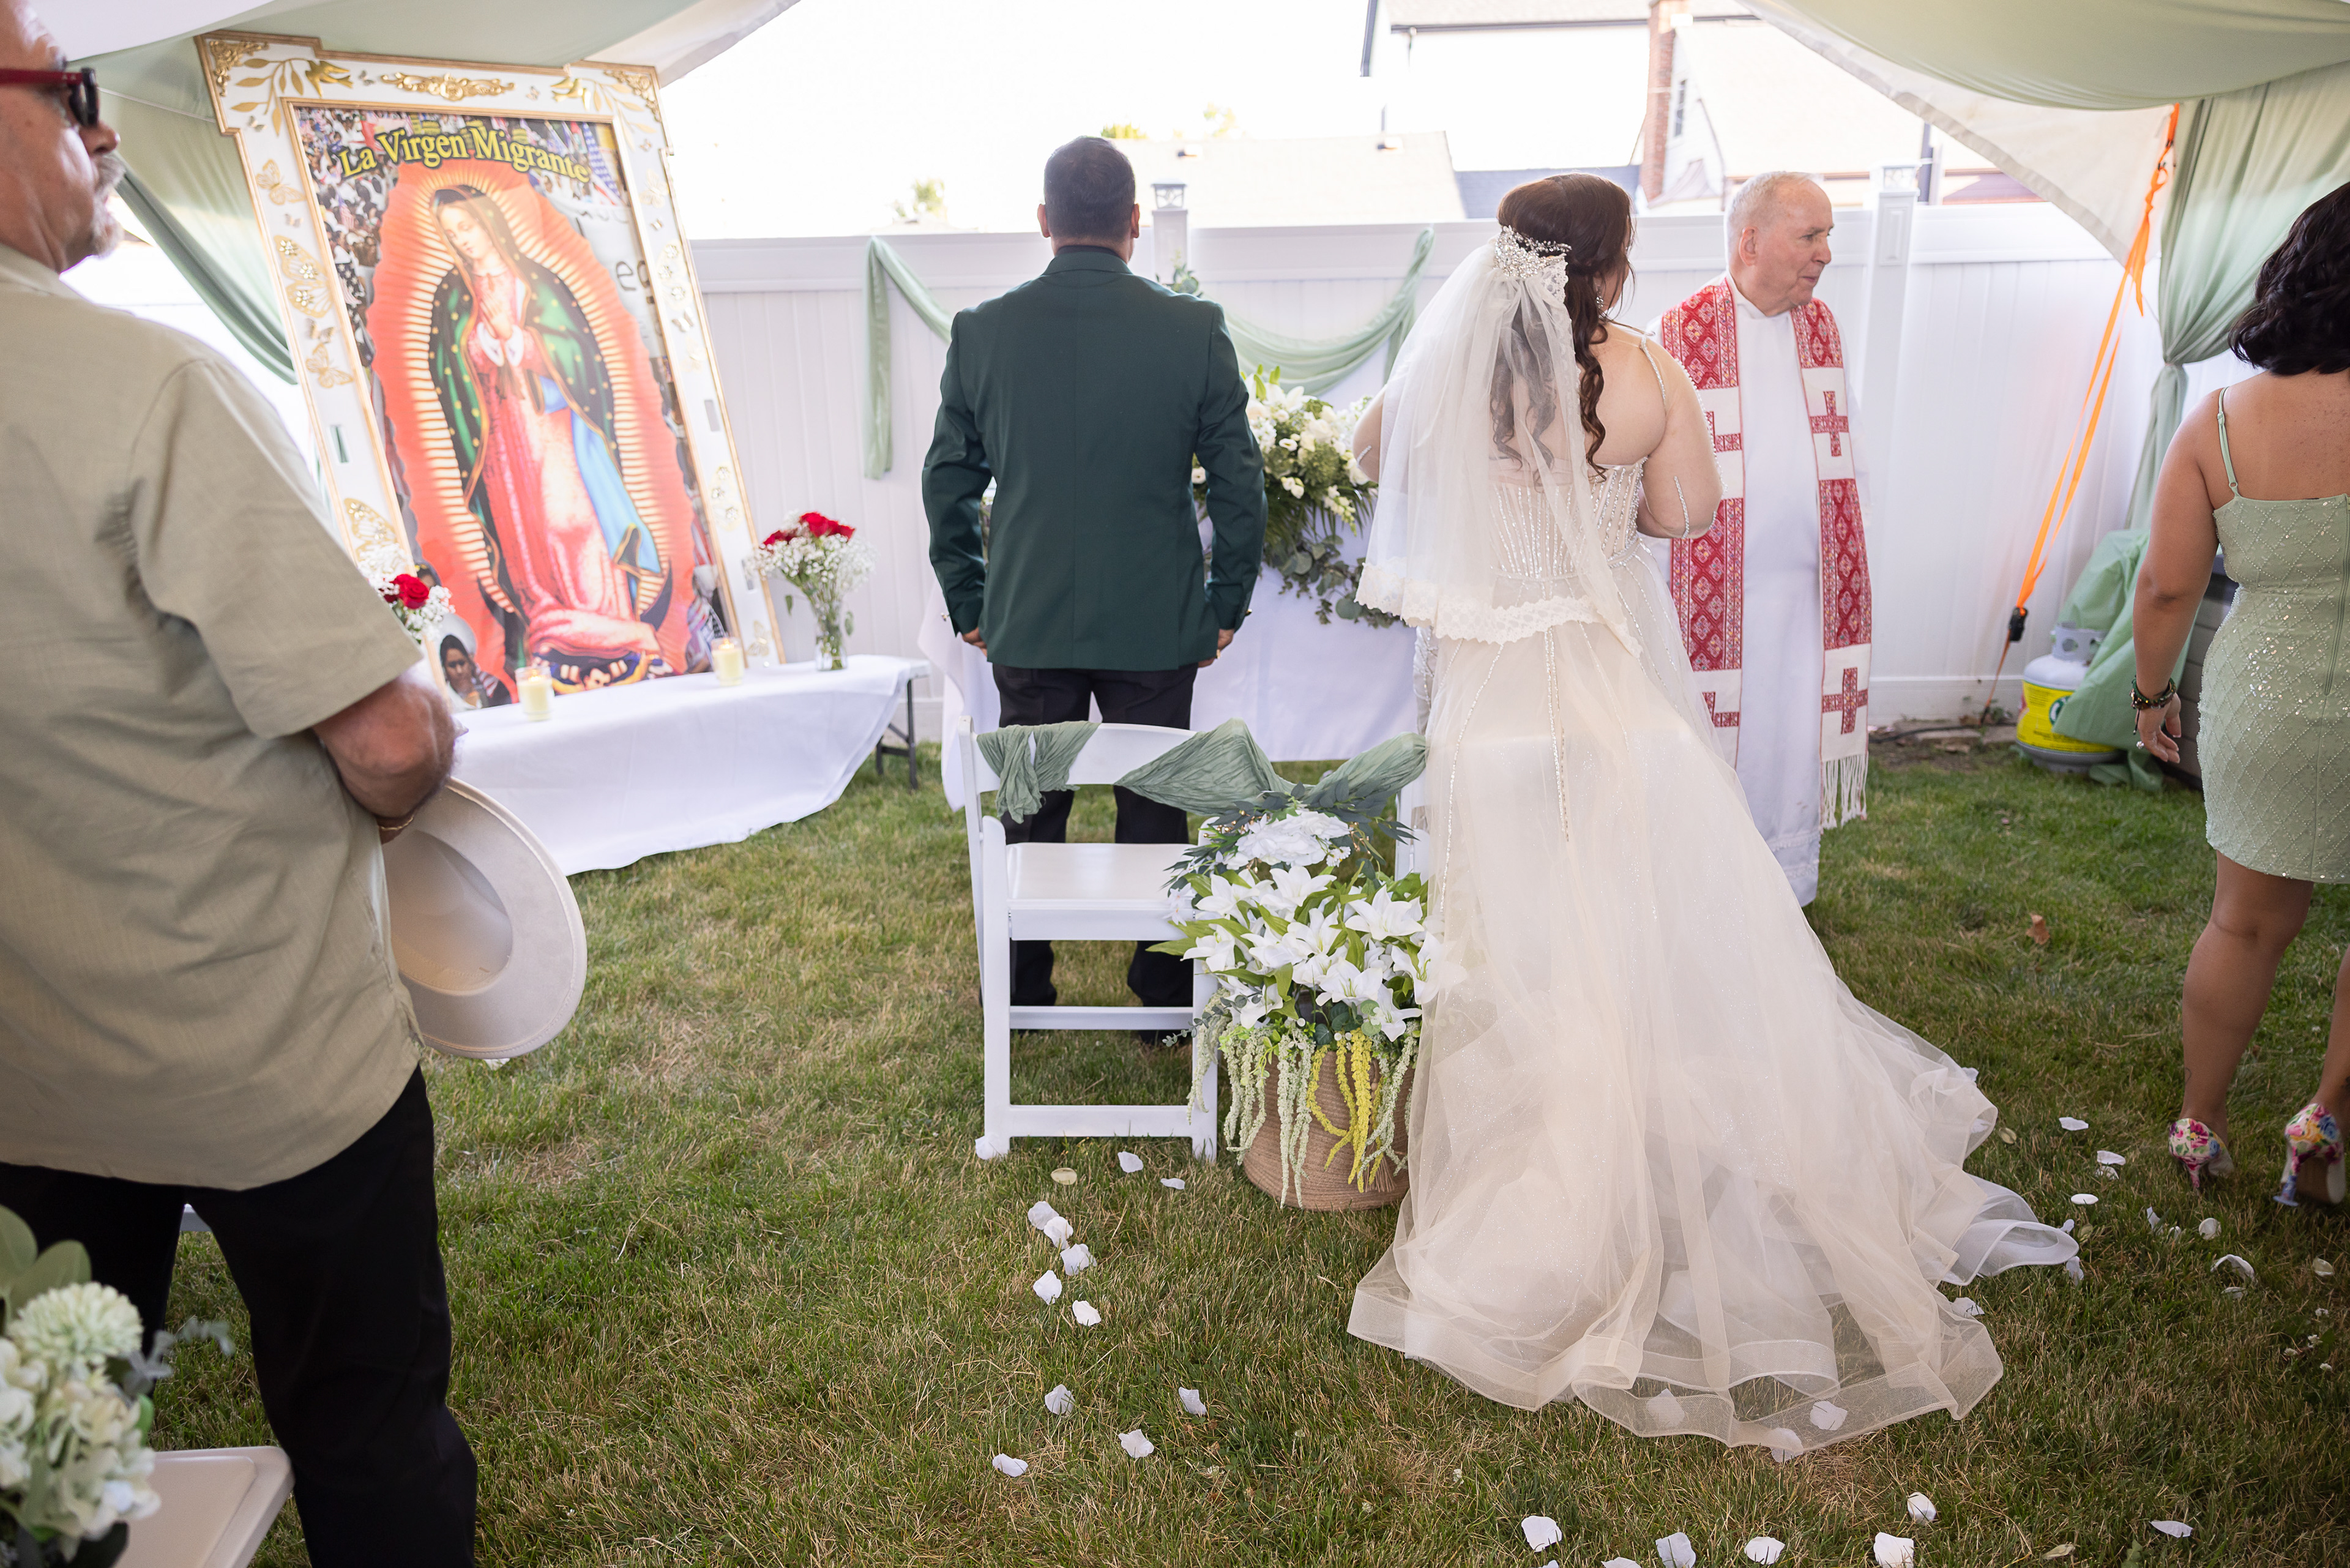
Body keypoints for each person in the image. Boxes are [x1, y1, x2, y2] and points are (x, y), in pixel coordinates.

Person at [1343, 174, 2074, 1453]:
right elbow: (1687, 514)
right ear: (1611, 267)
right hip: (1611, 700)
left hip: (1492, 717)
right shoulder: (1648, 371)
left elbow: (1371, 458)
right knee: (1632, 937)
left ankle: (1545, 1172)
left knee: (1519, 945)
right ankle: (1637, 1156)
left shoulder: (1450, 367)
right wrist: (1608, 492)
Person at [0, 2, 474, 1559]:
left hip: (25, 1068)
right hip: (253, 1053)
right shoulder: (141, 385)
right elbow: (385, 744)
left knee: (51, 1459)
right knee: (366, 1426)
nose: (105, 134)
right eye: (72, 91)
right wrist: (421, 743)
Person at [923, 135, 1266, 1021]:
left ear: (1045, 221)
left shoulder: (983, 331)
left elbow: (948, 480)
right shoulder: (1193, 329)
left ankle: (1021, 992)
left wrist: (970, 597)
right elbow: (1239, 480)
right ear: (1135, 222)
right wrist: (1226, 600)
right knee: (1156, 803)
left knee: (1030, 804)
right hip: (1157, 617)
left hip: (1028, 615)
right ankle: (1161, 999)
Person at [2133, 181, 2350, 1205]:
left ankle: (2199, 1123)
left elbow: (2167, 586)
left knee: (2245, 922)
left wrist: (2150, 695)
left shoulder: (2219, 421)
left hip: (2266, 695)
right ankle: (2325, 1120)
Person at [1649, 171, 1874, 906]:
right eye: (1810, 236)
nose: (1826, 253)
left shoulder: (1823, 328)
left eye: (1828, 235)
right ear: (1750, 242)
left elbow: (1846, 450)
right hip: (1713, 601)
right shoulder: (1678, 332)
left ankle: (1784, 889)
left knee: (1789, 742)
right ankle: (1704, 890)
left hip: (1805, 600)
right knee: (1716, 745)